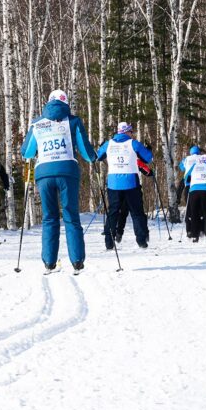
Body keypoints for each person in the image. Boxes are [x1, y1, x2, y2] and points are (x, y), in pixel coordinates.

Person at [21, 89, 97, 273]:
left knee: (50, 218)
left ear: (48, 102)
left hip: (44, 173)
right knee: (71, 216)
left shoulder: (37, 124)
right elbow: (86, 153)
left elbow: (27, 152)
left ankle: (49, 262)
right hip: (67, 172)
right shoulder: (73, 121)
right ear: (66, 102)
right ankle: (77, 261)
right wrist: (93, 157)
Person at [97, 122, 153, 250]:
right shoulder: (133, 143)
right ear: (128, 132)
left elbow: (98, 156)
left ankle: (109, 241)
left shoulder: (109, 143)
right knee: (136, 211)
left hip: (113, 183)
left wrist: (101, 147)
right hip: (130, 182)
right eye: (131, 132)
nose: (131, 134)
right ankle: (141, 240)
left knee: (113, 212)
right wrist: (148, 149)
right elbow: (149, 158)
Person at [114, 158, 153, 243]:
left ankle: (118, 233)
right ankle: (144, 234)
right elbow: (146, 171)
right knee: (138, 213)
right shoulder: (134, 158)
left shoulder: (116, 157)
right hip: (133, 189)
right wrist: (150, 172)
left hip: (119, 188)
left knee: (122, 212)